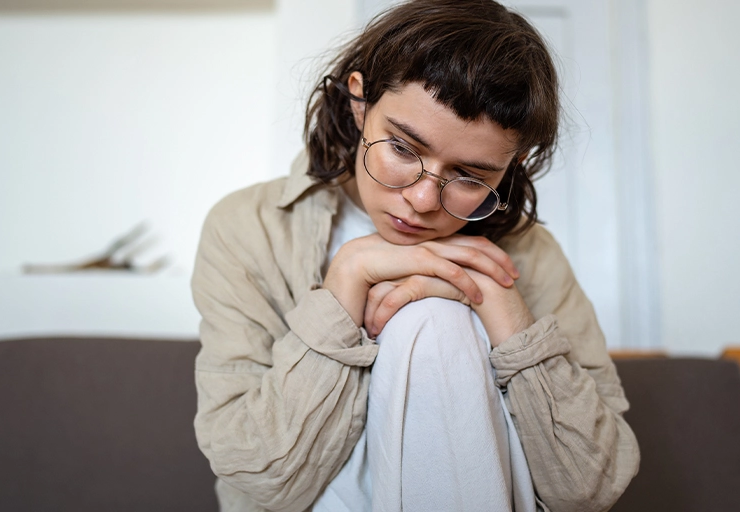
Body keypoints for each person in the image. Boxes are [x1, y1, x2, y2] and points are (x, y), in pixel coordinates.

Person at [191, 1, 640, 510]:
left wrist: (497, 304)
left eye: (470, 177)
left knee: (435, 319)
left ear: (509, 167)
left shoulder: (530, 254)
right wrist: (346, 283)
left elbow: (592, 489)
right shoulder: (248, 227)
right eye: (403, 149)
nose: (424, 201)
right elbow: (260, 477)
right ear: (360, 104)